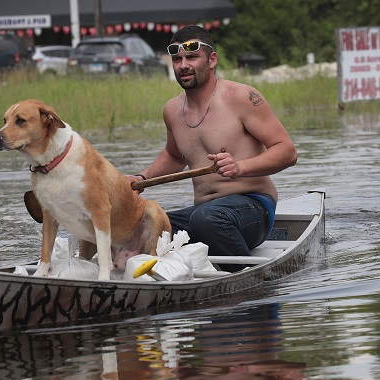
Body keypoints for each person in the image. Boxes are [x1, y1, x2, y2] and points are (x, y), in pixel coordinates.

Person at [127, 26, 298, 272]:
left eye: (192, 57)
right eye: (177, 59)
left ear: (212, 59)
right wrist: (142, 178)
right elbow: (174, 156)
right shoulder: (172, 110)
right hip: (203, 213)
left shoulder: (242, 97)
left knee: (206, 219)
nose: (183, 65)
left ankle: (251, 283)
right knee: (144, 222)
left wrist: (240, 166)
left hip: (253, 208)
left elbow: (287, 151)